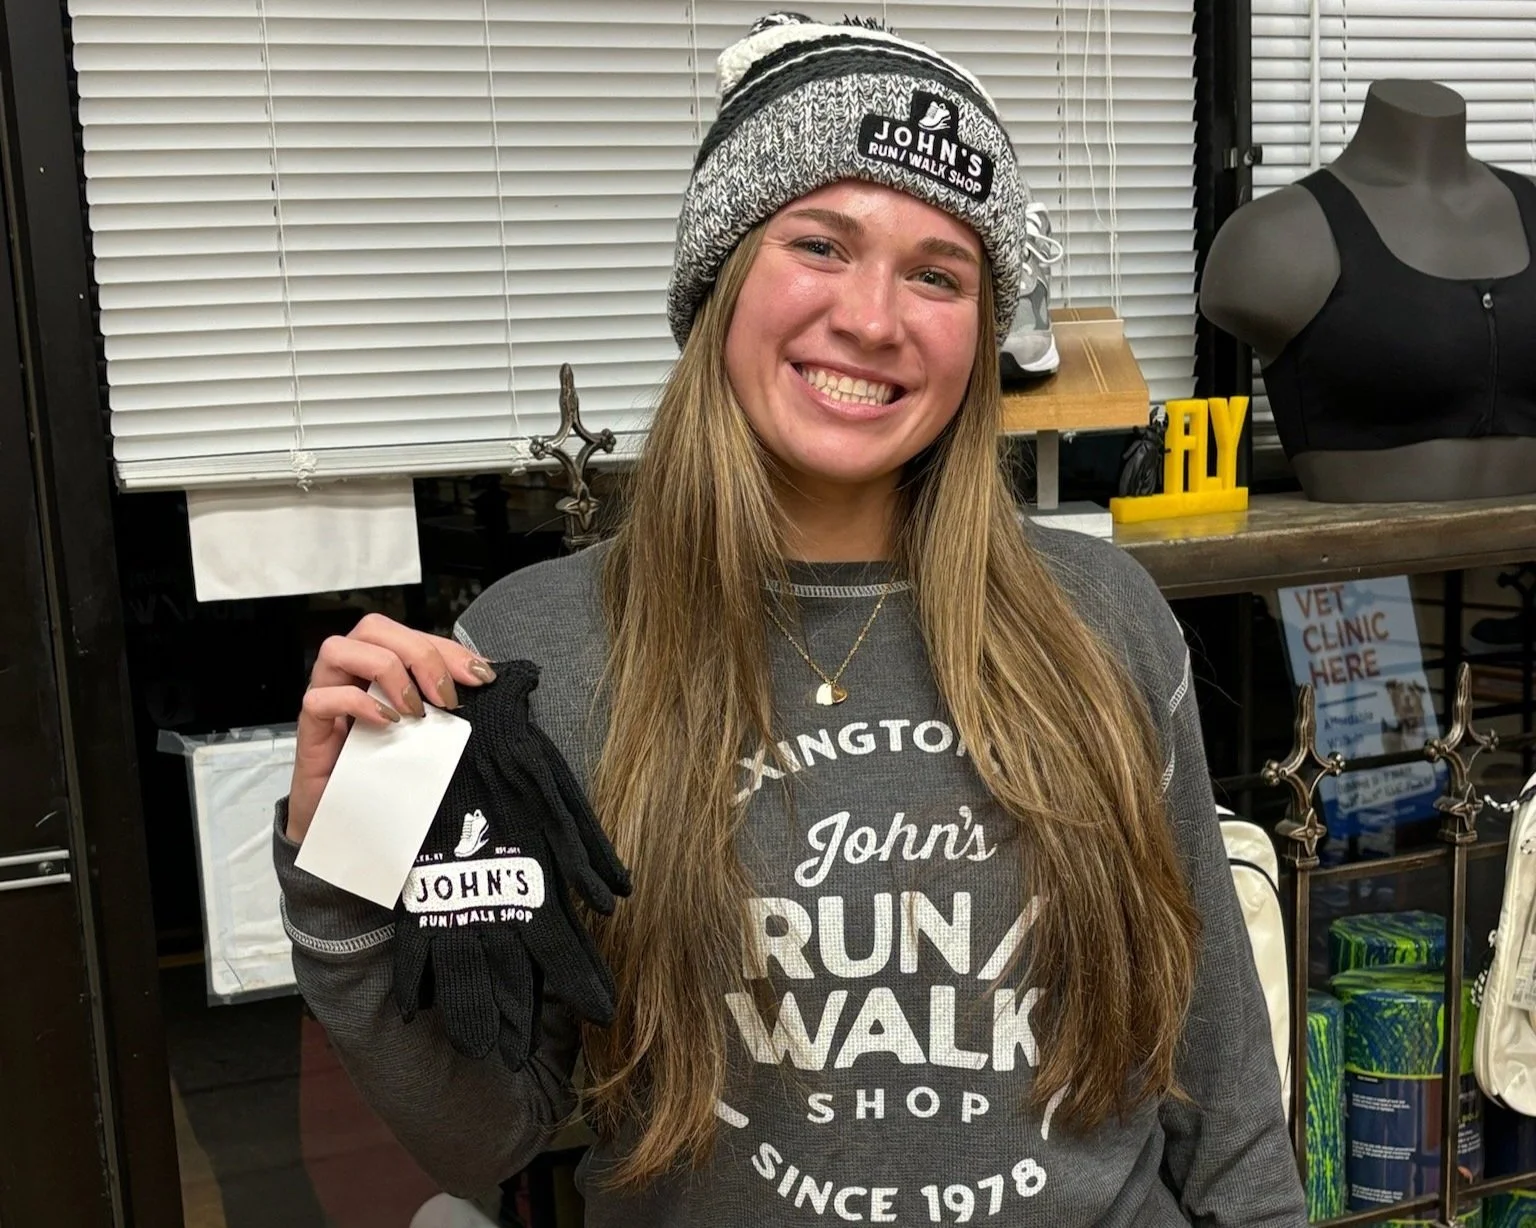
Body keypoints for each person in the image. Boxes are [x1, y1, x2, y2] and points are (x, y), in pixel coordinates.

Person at [274, 13, 1307, 1226]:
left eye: (938, 273)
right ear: (721, 280)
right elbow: (481, 1132)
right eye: (820, 243)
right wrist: (343, 870)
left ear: (981, 333)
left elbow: (1221, 1092)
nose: (873, 318)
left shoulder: (1101, 618)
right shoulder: (541, 648)